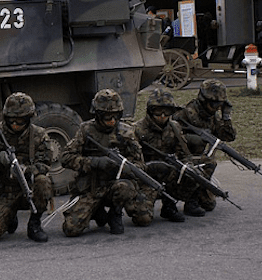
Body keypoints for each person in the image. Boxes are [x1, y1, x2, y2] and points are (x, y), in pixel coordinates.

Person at [61, 89, 151, 237]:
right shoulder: (86, 130)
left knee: (143, 217)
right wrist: (93, 162)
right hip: (91, 187)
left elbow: (140, 164)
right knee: (71, 229)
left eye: (116, 116)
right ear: (97, 115)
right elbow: (65, 157)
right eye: (108, 117)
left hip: (115, 186)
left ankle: (115, 213)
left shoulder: (126, 132)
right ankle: (97, 211)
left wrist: (126, 168)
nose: (112, 121)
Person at [0, 92, 53, 243]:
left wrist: (27, 170)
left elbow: (45, 164)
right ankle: (9, 217)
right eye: (12, 121)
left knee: (43, 181)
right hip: (5, 191)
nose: (15, 125)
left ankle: (34, 224)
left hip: (28, 190)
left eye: (20, 121)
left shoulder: (38, 135)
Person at [134, 88, 204, 222]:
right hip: (147, 177)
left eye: (167, 112)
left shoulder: (175, 127)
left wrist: (188, 167)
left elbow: (184, 154)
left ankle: (172, 205)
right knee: (142, 219)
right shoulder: (137, 129)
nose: (162, 116)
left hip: (170, 176)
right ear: (150, 111)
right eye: (158, 111)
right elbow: (133, 160)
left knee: (195, 172)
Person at [173, 79, 236, 214]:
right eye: (214, 104)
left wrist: (226, 117)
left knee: (209, 204)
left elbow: (228, 136)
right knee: (207, 160)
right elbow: (171, 138)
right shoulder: (186, 114)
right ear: (203, 100)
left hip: (199, 164)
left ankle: (198, 191)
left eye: (220, 104)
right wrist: (194, 140)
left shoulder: (211, 116)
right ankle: (190, 201)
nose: (217, 108)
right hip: (182, 160)